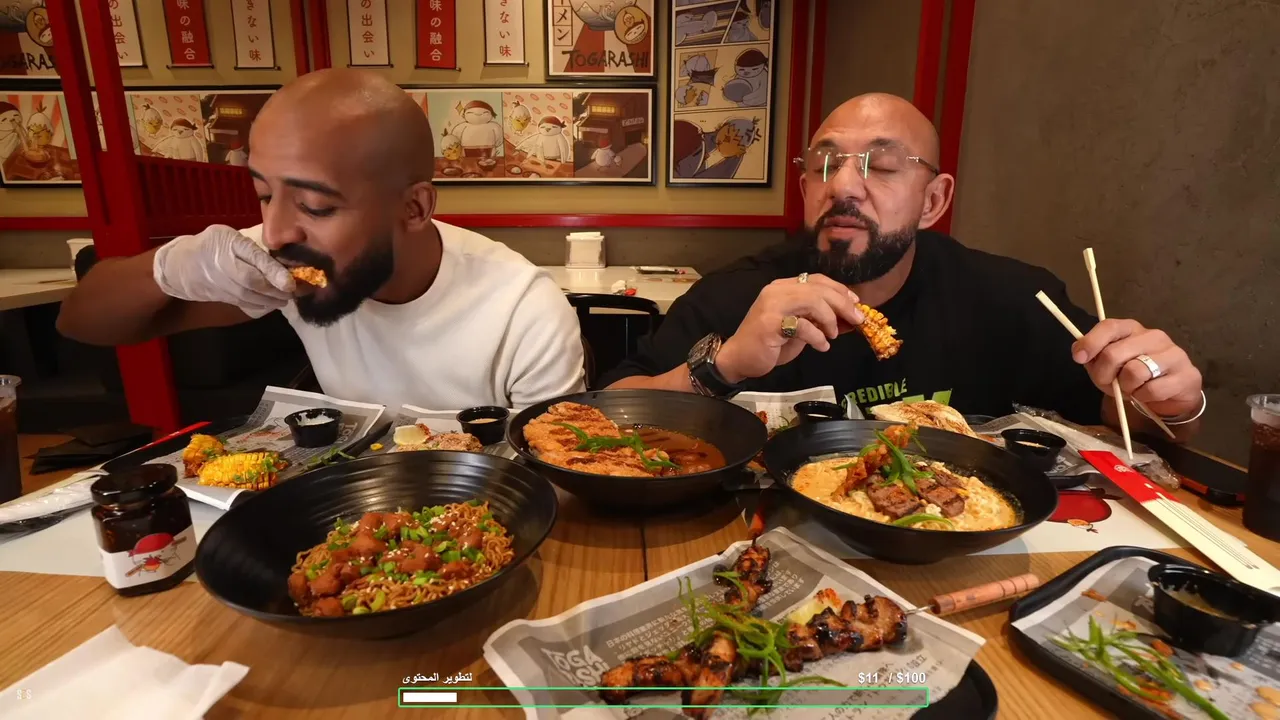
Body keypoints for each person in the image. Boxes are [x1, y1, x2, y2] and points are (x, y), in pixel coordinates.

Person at [603, 93, 1206, 439]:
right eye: (823, 165)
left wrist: (1173, 404)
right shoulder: (736, 295)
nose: (843, 186)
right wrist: (725, 364)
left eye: (883, 167)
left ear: (934, 201)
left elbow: (1139, 427)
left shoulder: (1011, 299)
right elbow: (602, 417)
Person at [57, 69, 585, 411]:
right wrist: (169, 268)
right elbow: (82, 322)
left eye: (316, 206)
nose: (276, 231)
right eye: (265, 195)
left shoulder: (522, 310)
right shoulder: (290, 263)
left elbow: (558, 476)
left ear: (414, 208)